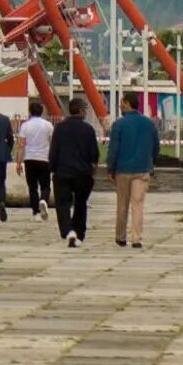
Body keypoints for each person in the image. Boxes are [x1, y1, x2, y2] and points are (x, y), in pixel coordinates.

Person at [106, 90, 161, 249]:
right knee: (138, 204)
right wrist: (150, 161)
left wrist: (111, 168)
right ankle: (136, 238)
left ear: (128, 104)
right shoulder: (149, 124)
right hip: (142, 169)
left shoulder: (118, 124)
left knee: (122, 204)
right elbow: (156, 147)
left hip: (122, 170)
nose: (120, 106)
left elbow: (113, 149)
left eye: (121, 103)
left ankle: (120, 237)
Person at [50, 95, 100, 247]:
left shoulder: (59, 128)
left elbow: (54, 150)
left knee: (63, 203)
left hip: (62, 171)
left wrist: (52, 169)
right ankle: (79, 233)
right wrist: (93, 169)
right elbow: (94, 154)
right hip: (82, 173)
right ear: (80, 111)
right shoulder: (88, 129)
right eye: (85, 110)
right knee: (80, 203)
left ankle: (67, 230)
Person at [16, 100, 54, 217]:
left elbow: (21, 145)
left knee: (32, 187)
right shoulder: (48, 125)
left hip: (30, 159)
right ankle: (44, 200)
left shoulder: (25, 125)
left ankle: (35, 212)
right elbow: (52, 143)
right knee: (45, 185)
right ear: (42, 112)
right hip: (44, 158)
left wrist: (18, 162)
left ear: (30, 111)